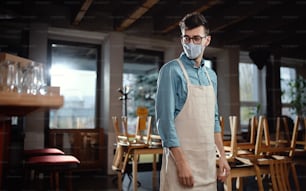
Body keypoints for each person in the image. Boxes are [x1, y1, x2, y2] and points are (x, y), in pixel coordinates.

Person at [155, 12, 231, 190]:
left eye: (196, 38)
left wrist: (222, 156)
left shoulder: (211, 76)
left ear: (207, 40)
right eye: (186, 39)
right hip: (180, 165)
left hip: (207, 165)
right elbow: (165, 122)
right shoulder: (171, 71)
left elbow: (214, 120)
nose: (191, 44)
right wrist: (182, 164)